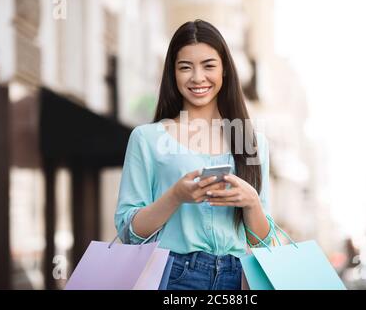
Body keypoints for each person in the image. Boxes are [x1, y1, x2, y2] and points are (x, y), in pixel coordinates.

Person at [115, 19, 275, 290]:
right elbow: (129, 233)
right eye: (185, 67)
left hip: (236, 278)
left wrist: (251, 203)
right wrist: (176, 196)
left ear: (225, 70)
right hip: (173, 274)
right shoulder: (147, 138)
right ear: (172, 74)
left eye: (209, 65)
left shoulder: (252, 142)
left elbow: (261, 242)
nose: (198, 77)